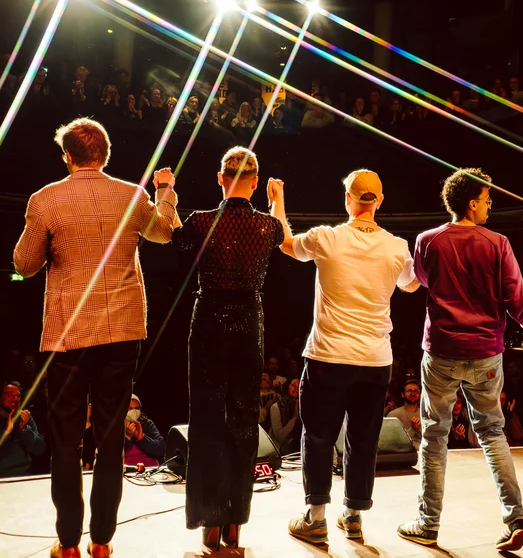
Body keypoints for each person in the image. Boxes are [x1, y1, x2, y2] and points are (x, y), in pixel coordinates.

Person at [13, 117, 178, 558]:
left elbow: (24, 265)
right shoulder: (131, 195)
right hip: (122, 332)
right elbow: (164, 232)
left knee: (65, 442)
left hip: (67, 335)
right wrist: (164, 192)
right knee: (109, 440)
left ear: (67, 156)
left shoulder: (46, 200)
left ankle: (68, 544)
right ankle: (102, 542)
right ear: (104, 154)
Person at [268, 169, 418, 544]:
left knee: (319, 436)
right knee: (364, 438)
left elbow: (284, 243)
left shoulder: (327, 238)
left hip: (329, 356)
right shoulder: (397, 247)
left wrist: (278, 202)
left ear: (348, 199)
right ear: (379, 202)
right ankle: (352, 517)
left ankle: (315, 519)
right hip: (375, 359)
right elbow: (413, 284)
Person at [397, 167, 523, 551]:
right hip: (486, 354)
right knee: (493, 433)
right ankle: (515, 518)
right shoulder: (498, 243)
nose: (491, 206)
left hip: (441, 352)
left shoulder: (428, 240)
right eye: (487, 199)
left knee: (434, 436)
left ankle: (427, 524)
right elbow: (516, 303)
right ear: (471, 203)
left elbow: (425, 282)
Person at [173, 146, 283, 552]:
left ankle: (210, 524)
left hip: (209, 323)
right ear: (255, 182)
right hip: (249, 325)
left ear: (220, 178)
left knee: (206, 419)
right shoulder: (269, 227)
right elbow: (283, 234)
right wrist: (277, 203)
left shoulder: (201, 222)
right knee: (242, 420)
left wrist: (167, 193)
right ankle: (236, 524)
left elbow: (171, 241)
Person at [0, 382, 46, 479]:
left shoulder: (25, 418)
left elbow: (40, 449)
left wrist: (24, 429)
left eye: (18, 396)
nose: (15, 399)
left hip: (24, 476)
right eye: (9, 395)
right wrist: (5, 433)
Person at [123, 394, 165, 468]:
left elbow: (160, 450)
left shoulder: (147, 424)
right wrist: (127, 437)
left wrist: (141, 438)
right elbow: (111, 455)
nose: (134, 411)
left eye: (137, 408)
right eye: (130, 408)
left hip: (150, 470)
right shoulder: (116, 426)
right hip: (125, 471)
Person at [270, 378, 302, 455]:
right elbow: (280, 438)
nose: (296, 388)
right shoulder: (276, 407)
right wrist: (294, 417)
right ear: (287, 387)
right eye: (293, 385)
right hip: (282, 451)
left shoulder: (307, 406)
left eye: (299, 386)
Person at [388, 379, 422, 450]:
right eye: (409, 391)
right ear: (403, 394)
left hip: (422, 454)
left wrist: (420, 430)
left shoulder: (425, 415)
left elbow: (432, 440)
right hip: (401, 456)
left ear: (420, 394)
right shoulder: (393, 415)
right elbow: (391, 443)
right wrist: (413, 429)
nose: (413, 394)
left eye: (416, 391)